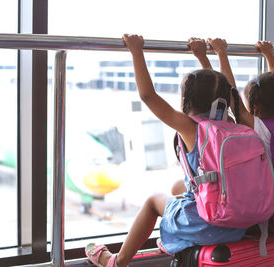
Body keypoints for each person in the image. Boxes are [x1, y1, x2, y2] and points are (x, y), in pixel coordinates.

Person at [84, 34, 247, 267]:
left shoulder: (191, 128)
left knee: (153, 201)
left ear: (185, 101)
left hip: (208, 226)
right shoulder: (233, 125)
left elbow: (148, 96)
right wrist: (202, 56)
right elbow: (223, 88)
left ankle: (117, 261)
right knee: (176, 188)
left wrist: (136, 50)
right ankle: (177, 237)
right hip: (238, 224)